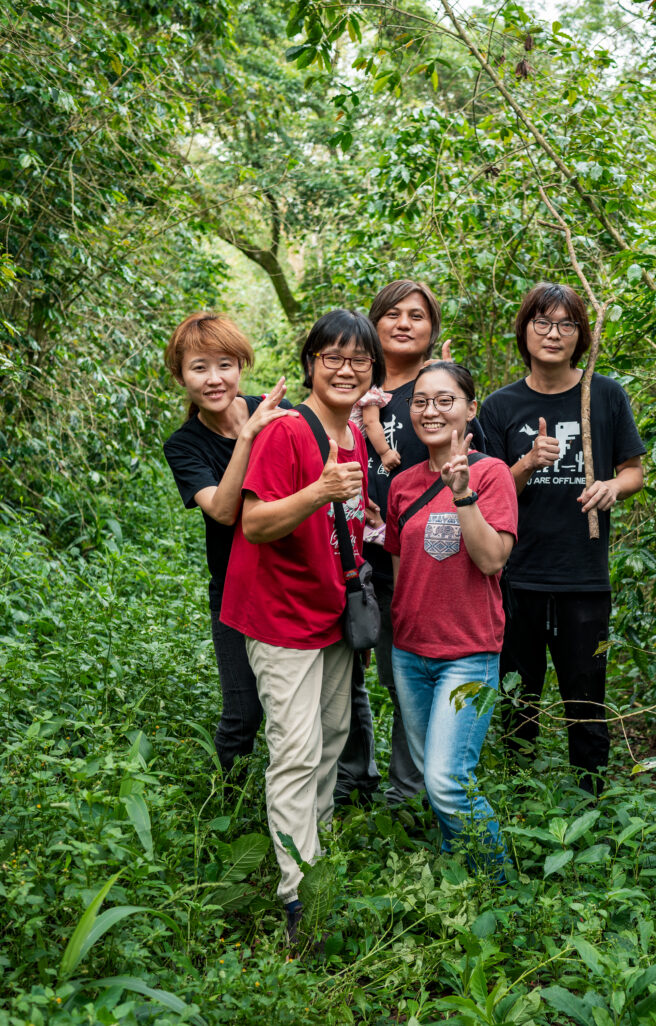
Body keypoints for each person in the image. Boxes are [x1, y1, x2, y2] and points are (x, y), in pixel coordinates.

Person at [220, 309, 380, 941]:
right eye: (332, 356)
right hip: (280, 613)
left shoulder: (355, 435)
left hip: (331, 608)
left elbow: (346, 522)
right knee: (295, 750)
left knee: (334, 735)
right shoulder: (288, 431)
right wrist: (318, 492)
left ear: (370, 372)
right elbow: (254, 523)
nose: (345, 368)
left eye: (357, 359)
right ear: (311, 361)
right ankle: (297, 897)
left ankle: (316, 854)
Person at [477, 283, 645, 795]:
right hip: (518, 574)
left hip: (584, 576)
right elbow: (486, 490)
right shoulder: (500, 406)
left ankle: (592, 802)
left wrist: (612, 487)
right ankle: (520, 799)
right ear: (524, 330)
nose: (553, 334)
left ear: (581, 335)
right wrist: (527, 463)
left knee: (587, 698)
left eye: (566, 324)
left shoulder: (605, 394)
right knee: (517, 698)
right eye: (542, 323)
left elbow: (634, 471)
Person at [335, 281, 461, 807]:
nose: (403, 323)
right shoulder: (347, 383)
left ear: (432, 328)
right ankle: (349, 782)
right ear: (373, 323)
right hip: (346, 558)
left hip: (414, 563)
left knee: (406, 678)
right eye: (391, 313)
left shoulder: (438, 394)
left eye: (417, 315)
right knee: (344, 675)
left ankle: (405, 795)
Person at [385, 363, 516, 864]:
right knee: (432, 772)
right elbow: (403, 569)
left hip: (468, 654)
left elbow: (491, 560)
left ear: (469, 408)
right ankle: (457, 876)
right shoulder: (402, 484)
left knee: (446, 780)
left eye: (445, 400)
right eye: (420, 401)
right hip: (410, 653)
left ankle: (501, 885)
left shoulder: (491, 474)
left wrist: (463, 493)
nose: (430, 410)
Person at [161, 313, 295, 778]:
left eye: (225, 364)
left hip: (293, 579)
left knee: (304, 707)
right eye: (199, 368)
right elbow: (221, 510)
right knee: (244, 712)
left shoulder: (279, 412)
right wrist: (250, 434)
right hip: (236, 589)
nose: (214, 379)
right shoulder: (185, 445)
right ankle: (226, 804)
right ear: (180, 376)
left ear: (241, 365)